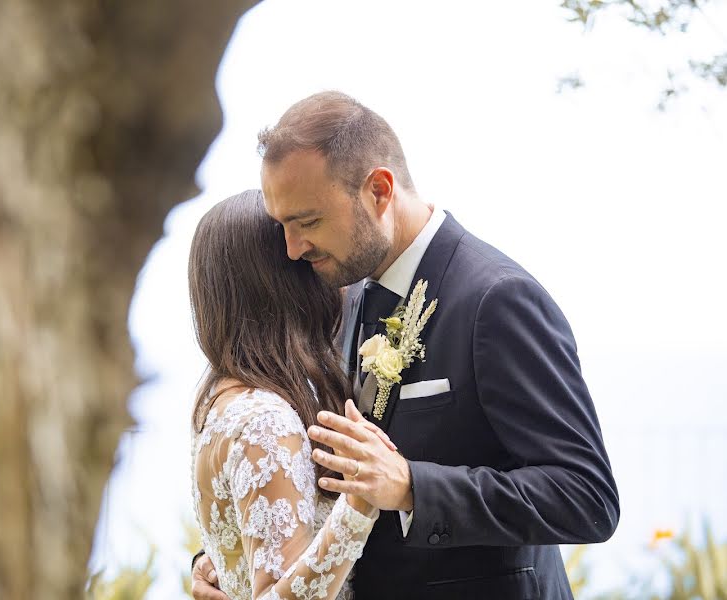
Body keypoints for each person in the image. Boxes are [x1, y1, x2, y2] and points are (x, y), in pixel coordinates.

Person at [192, 92, 619, 599]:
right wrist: (226, 558)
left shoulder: (495, 300)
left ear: (378, 189)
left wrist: (413, 486)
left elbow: (586, 496)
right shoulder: (342, 293)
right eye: (282, 224)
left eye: (307, 222)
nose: (292, 249)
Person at [189, 189, 402, 600]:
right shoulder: (265, 420)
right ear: (285, 283)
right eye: (307, 263)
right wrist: (358, 509)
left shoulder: (220, 397)